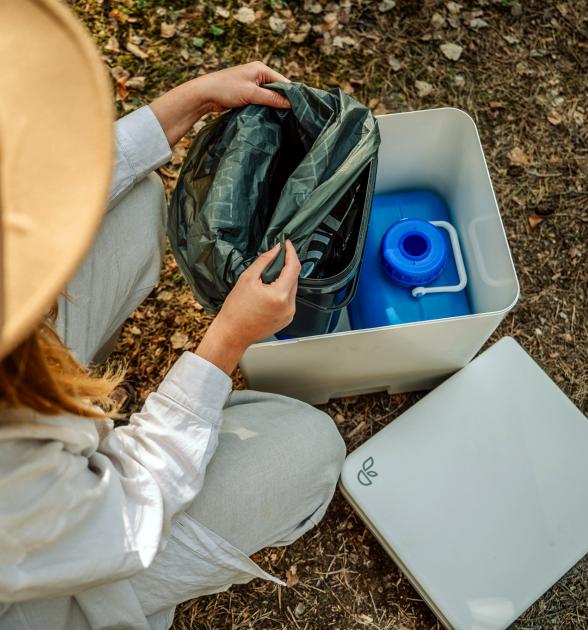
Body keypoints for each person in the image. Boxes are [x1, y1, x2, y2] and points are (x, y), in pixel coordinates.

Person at [0, 1, 346, 629]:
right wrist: (226, 341)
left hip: (37, 489)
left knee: (130, 201)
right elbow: (130, 514)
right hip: (66, 572)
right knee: (310, 447)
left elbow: (39, 191)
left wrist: (183, 105)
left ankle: (76, 412)